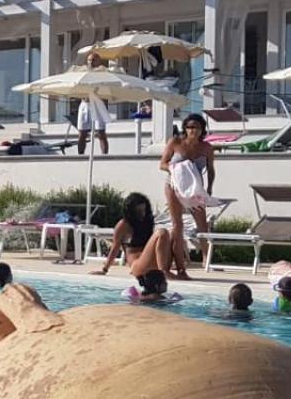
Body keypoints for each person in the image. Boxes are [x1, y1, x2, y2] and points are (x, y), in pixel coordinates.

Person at [160, 112, 217, 280]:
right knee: (177, 225)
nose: (193, 130)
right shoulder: (175, 142)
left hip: (195, 189)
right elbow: (162, 163)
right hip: (174, 186)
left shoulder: (206, 148)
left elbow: (211, 169)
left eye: (197, 127)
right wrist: (176, 169)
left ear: (202, 129)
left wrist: (209, 187)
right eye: (190, 127)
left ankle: (206, 259)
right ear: (185, 128)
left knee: (202, 224)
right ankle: (175, 260)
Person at [90, 192, 157, 276]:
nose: (143, 214)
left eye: (144, 210)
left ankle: (165, 268)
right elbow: (115, 247)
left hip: (149, 256)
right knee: (161, 234)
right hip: (136, 259)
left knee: (165, 235)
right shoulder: (124, 225)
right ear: (132, 211)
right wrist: (105, 269)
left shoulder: (147, 222)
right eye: (139, 211)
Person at [75, 53, 110, 156]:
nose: (91, 62)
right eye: (89, 60)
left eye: (93, 60)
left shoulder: (103, 73)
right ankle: (80, 156)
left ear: (99, 61)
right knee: (82, 133)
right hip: (85, 104)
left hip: (98, 104)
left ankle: (104, 156)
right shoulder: (83, 73)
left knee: (100, 133)